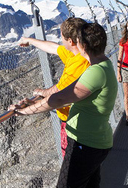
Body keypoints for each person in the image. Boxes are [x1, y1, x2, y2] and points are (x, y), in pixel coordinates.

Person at [10, 22, 117, 188]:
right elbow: (59, 91)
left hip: (83, 144)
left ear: (82, 45)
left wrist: (25, 111)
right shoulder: (104, 66)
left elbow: (60, 99)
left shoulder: (94, 72)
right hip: (97, 142)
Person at [17, 17, 89, 157]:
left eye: (61, 36)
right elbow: (53, 48)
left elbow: (59, 95)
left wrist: (31, 104)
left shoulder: (80, 64)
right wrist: (30, 40)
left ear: (70, 41)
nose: (60, 40)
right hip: (80, 120)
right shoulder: (76, 53)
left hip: (74, 125)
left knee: (72, 167)